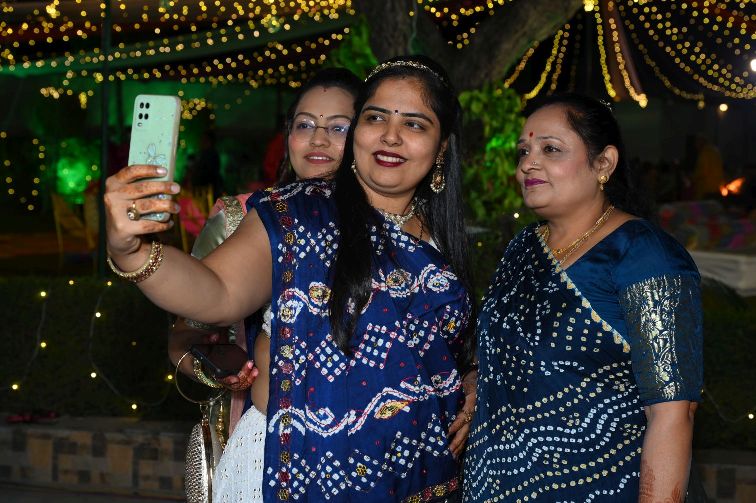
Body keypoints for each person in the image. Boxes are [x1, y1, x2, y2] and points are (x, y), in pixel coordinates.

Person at [105, 55, 476, 502]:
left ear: (441, 148)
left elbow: (453, 350)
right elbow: (215, 292)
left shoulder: (442, 239)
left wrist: (473, 381)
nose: (390, 135)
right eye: (376, 117)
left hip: (416, 478)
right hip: (291, 469)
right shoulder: (296, 215)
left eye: (414, 124)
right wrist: (132, 250)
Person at [463, 94, 703, 502]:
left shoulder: (643, 255)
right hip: (493, 485)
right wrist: (474, 384)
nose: (528, 164)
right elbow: (504, 359)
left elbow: (673, 414)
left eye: (550, 149)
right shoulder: (523, 247)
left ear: (604, 163)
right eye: (524, 151)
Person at [168, 67, 363, 442]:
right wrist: (221, 370)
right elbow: (181, 341)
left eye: (339, 128)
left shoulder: (388, 226)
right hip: (259, 433)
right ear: (288, 135)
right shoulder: (240, 218)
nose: (318, 139)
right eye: (305, 125)